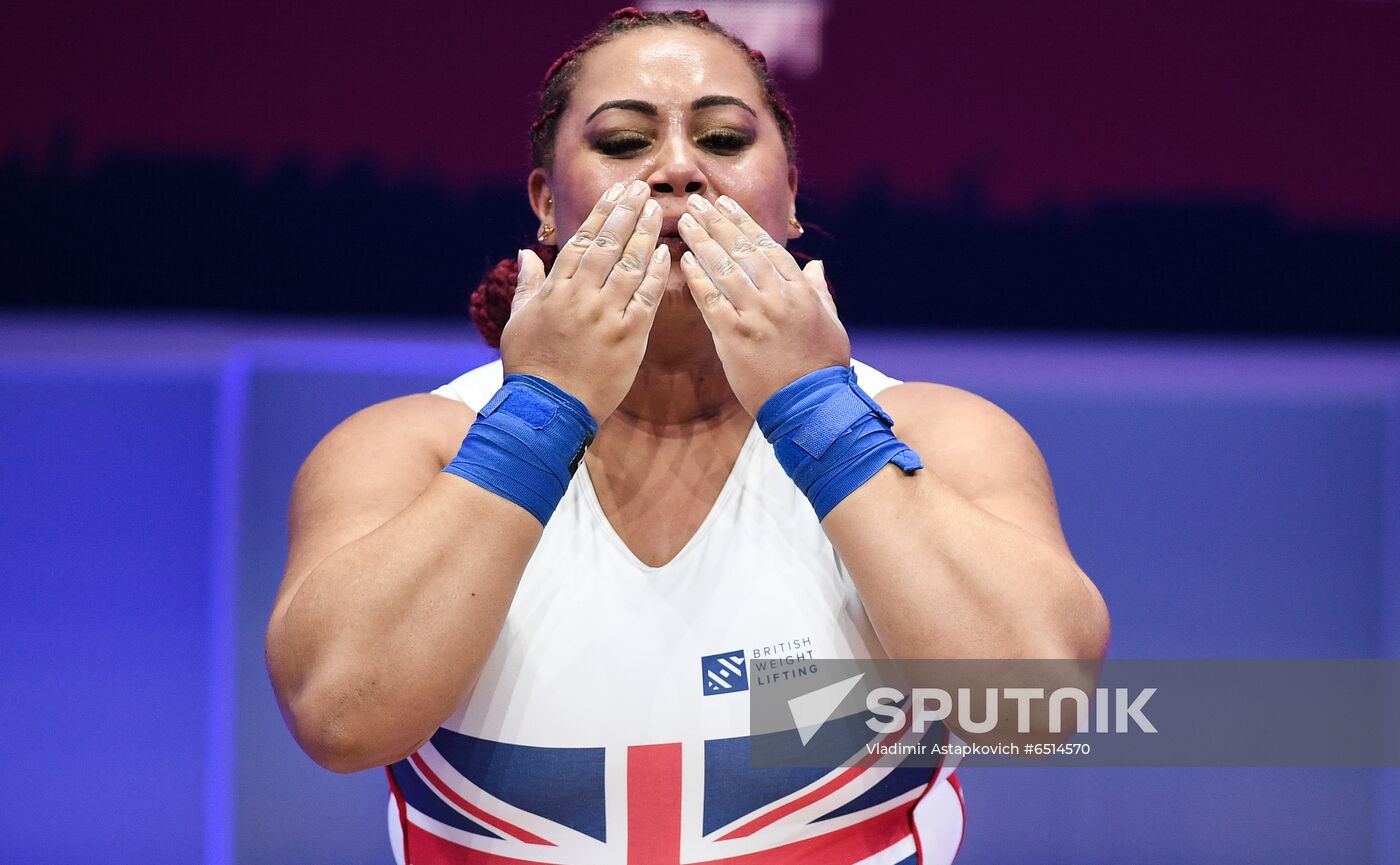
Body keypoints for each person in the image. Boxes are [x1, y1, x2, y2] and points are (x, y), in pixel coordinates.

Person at [264, 8, 1110, 864]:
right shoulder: (412, 450)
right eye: (626, 142)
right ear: (546, 206)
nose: (678, 169)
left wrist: (817, 408)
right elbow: (339, 715)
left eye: (722, 137)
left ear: (789, 200)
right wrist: (541, 411)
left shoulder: (935, 435)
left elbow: (1035, 709)